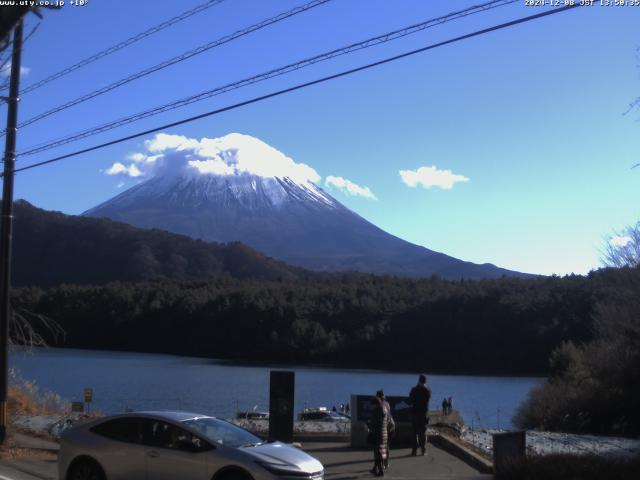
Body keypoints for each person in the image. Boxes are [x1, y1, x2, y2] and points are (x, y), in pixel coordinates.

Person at [368, 391, 394, 477]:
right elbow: (386, 421)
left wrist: (370, 424)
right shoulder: (385, 408)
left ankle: (380, 471)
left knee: (377, 453)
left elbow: (375, 424)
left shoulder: (376, 411)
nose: (371, 406)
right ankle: (377, 468)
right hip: (385, 433)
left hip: (378, 434)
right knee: (382, 452)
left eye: (372, 404)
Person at [408, 373, 431, 456]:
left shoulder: (414, 390)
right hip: (424, 414)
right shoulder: (428, 390)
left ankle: (414, 451)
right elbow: (428, 398)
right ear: (426, 381)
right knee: (423, 432)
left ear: (419, 380)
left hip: (414, 413)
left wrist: (417, 386)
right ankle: (423, 450)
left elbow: (410, 400)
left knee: (414, 433)